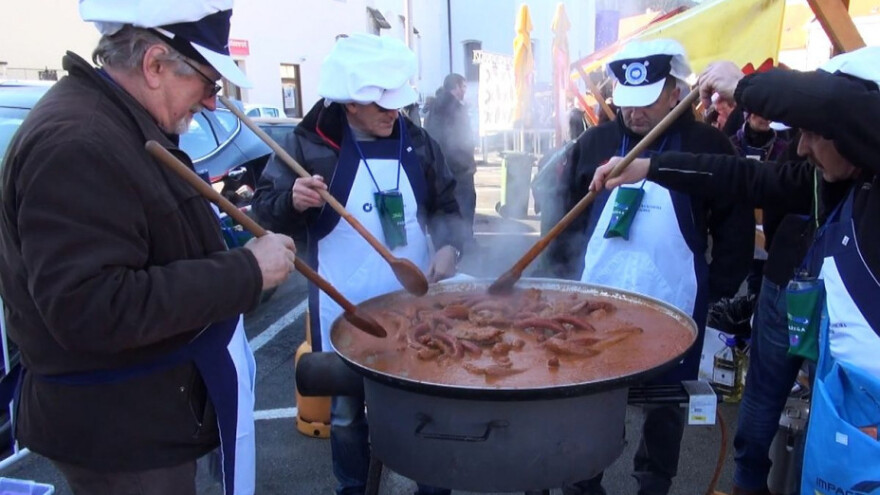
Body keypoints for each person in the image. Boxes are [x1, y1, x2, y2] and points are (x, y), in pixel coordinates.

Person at [0, 2, 298, 494]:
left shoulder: (122, 121)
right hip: (119, 434)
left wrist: (228, 246)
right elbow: (90, 308)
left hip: (144, 416)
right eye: (207, 83)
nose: (210, 103)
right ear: (155, 65)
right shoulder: (79, 142)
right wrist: (244, 271)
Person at [591, 47, 880, 495]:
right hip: (846, 400)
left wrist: (743, 86)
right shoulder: (825, 178)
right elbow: (744, 179)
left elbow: (831, 104)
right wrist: (650, 167)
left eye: (811, 133)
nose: (800, 147)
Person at [251, 33, 464, 495]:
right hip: (341, 305)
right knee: (347, 414)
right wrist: (292, 199)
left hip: (414, 306)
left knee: (426, 405)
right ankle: (353, 487)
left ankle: (433, 487)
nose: (394, 112)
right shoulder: (306, 145)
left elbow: (449, 205)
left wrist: (449, 248)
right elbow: (264, 213)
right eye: (382, 104)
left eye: (397, 102)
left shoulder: (416, 140)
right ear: (350, 102)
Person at [545, 39, 754, 495]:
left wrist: (717, 287)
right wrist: (560, 279)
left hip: (674, 301)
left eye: (646, 103)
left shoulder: (708, 145)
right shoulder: (596, 141)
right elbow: (562, 216)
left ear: (676, 92)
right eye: (627, 103)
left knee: (666, 404)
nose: (634, 114)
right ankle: (586, 476)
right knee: (593, 397)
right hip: (594, 303)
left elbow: (736, 221)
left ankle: (654, 479)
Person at [424, 73, 477, 245]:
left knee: (445, 205)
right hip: (459, 167)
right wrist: (466, 161)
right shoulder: (455, 108)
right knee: (465, 204)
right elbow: (462, 138)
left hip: (439, 165)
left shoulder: (433, 107)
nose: (464, 91)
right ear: (455, 87)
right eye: (463, 87)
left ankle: (447, 242)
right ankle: (464, 241)